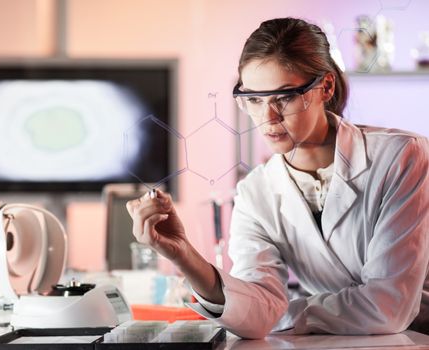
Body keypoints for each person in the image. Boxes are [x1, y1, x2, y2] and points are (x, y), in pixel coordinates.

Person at [126, 17, 429, 339]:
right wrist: (182, 253)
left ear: (325, 87)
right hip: (338, 340)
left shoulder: (400, 157)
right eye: (254, 100)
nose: (267, 118)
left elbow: (388, 307)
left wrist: (282, 313)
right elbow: (255, 313)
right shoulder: (256, 192)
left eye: (284, 97)